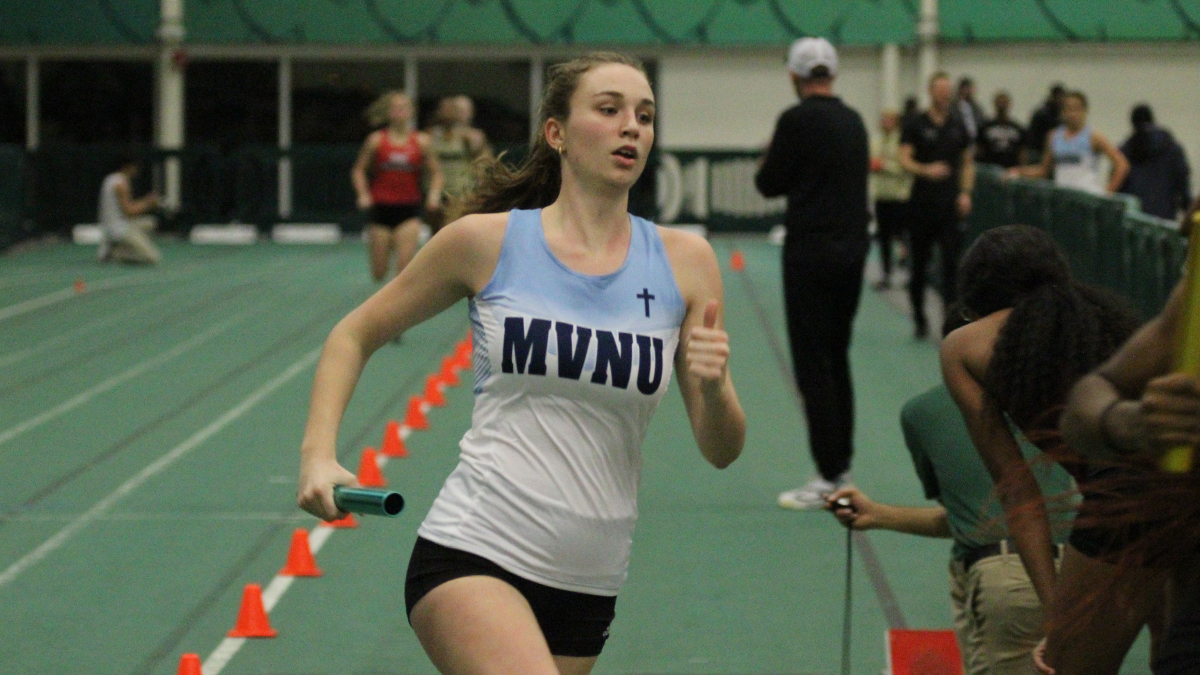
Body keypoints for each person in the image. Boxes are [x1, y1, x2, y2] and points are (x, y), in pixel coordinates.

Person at [298, 53, 746, 675]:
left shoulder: (686, 261)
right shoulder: (487, 242)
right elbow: (354, 334)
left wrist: (714, 385)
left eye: (644, 115)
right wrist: (318, 455)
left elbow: (722, 449)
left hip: (590, 577)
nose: (632, 128)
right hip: (476, 545)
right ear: (556, 133)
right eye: (610, 109)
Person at [939, 226, 1156, 675]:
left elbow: (1020, 493)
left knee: (1067, 666)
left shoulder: (965, 345)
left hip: (1121, 500)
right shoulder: (1109, 324)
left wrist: (1057, 614)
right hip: (1180, 488)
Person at [828, 357, 1075, 675]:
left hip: (1007, 582)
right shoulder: (1060, 402)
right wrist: (878, 515)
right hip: (1074, 572)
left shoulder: (924, 410)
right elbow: (968, 520)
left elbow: (986, 520)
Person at [754, 37, 870, 510]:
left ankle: (828, 474)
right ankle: (840, 463)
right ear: (833, 74)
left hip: (810, 252)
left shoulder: (795, 121)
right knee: (837, 357)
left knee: (813, 362)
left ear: (794, 77)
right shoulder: (855, 121)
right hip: (853, 251)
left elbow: (767, 182)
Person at [899, 72, 975, 339]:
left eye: (947, 89)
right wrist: (925, 170)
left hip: (949, 205)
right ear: (930, 91)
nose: (944, 94)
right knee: (918, 264)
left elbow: (967, 162)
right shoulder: (915, 123)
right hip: (921, 204)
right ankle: (919, 317)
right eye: (939, 89)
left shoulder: (958, 125)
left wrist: (965, 192)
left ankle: (950, 321)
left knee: (952, 265)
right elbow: (904, 158)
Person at [352, 90, 444, 282]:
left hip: (408, 210)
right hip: (381, 211)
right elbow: (359, 170)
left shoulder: (421, 141)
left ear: (411, 112)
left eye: (403, 108)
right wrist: (363, 194)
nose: (399, 112)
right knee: (379, 273)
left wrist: (434, 195)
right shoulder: (376, 140)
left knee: (403, 273)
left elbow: (436, 173)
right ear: (388, 112)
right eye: (395, 108)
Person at [1009, 91, 1129, 196]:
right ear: (1063, 112)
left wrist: (1108, 193)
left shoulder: (1094, 137)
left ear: (1084, 111)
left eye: (1077, 109)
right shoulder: (1054, 136)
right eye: (1068, 109)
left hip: (1087, 197)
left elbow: (1121, 164)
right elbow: (1044, 170)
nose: (1072, 114)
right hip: (1064, 198)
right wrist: (1019, 171)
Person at [425, 95, 492, 230]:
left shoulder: (470, 136)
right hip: (436, 192)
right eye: (444, 109)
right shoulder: (430, 135)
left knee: (451, 227)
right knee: (436, 232)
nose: (447, 113)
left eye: (451, 109)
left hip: (459, 192)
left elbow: (485, 161)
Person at [1118, 104, 1191, 221]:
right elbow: (1183, 183)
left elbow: (1119, 188)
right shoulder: (1172, 148)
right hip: (1165, 216)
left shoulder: (1125, 151)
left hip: (1134, 219)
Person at [871, 109, 913, 290]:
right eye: (883, 118)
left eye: (889, 119)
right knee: (884, 238)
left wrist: (883, 165)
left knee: (904, 237)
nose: (885, 122)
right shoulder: (875, 140)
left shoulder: (903, 141)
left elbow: (905, 166)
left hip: (900, 197)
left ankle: (910, 275)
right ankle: (886, 275)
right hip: (881, 196)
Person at [97, 152, 161, 265]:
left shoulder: (110, 179)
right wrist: (148, 203)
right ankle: (116, 254)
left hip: (110, 226)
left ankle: (115, 247)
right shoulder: (121, 183)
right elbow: (129, 211)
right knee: (153, 258)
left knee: (150, 223)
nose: (137, 170)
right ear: (128, 167)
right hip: (120, 229)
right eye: (135, 167)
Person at [976, 91, 1027, 169]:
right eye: (999, 102)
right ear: (994, 104)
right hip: (990, 168)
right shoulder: (985, 127)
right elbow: (979, 150)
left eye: (1004, 103)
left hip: (1012, 168)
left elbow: (1022, 152)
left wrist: (1022, 169)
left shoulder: (1018, 128)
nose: (1002, 105)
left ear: (1009, 104)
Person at [1027, 84, 1065, 165]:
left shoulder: (1062, 115)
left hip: (1053, 151)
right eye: (1058, 97)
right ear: (1052, 97)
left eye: (1062, 97)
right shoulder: (1041, 114)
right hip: (1039, 151)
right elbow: (1032, 135)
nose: (1060, 100)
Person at [956, 77, 985, 143]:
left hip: (976, 141)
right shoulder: (954, 107)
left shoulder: (977, 108)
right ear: (963, 89)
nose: (973, 91)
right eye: (970, 88)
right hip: (960, 141)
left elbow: (981, 123)